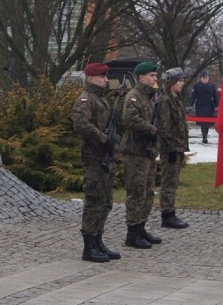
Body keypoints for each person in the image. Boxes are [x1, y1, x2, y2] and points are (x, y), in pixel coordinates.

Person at [71, 62, 121, 262]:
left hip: (105, 156)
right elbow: (81, 124)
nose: (106, 80)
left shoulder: (103, 101)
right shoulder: (85, 99)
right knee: (94, 201)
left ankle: (98, 239)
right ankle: (89, 246)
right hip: (93, 156)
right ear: (91, 78)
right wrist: (103, 139)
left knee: (106, 201)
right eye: (102, 77)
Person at [119, 61, 163, 249]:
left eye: (155, 75)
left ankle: (141, 227)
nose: (155, 78)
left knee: (148, 192)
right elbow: (130, 119)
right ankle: (132, 232)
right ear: (141, 77)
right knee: (137, 192)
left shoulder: (149, 97)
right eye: (152, 75)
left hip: (148, 151)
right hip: (135, 151)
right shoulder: (134, 97)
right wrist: (152, 130)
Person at [157, 67, 190, 229]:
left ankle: (170, 212)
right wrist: (170, 148)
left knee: (173, 181)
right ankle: (167, 214)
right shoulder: (165, 100)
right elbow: (164, 127)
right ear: (171, 82)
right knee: (168, 182)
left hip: (177, 147)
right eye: (180, 80)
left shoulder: (176, 99)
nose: (183, 83)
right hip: (170, 148)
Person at [189, 70, 218, 143]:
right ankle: (204, 137)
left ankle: (205, 136)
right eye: (204, 78)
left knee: (208, 123)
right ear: (201, 78)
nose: (205, 79)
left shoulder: (212, 86)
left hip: (209, 106)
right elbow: (193, 96)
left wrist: (217, 105)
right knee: (202, 123)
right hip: (200, 106)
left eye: (207, 78)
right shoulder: (197, 86)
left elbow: (215, 96)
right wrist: (191, 105)